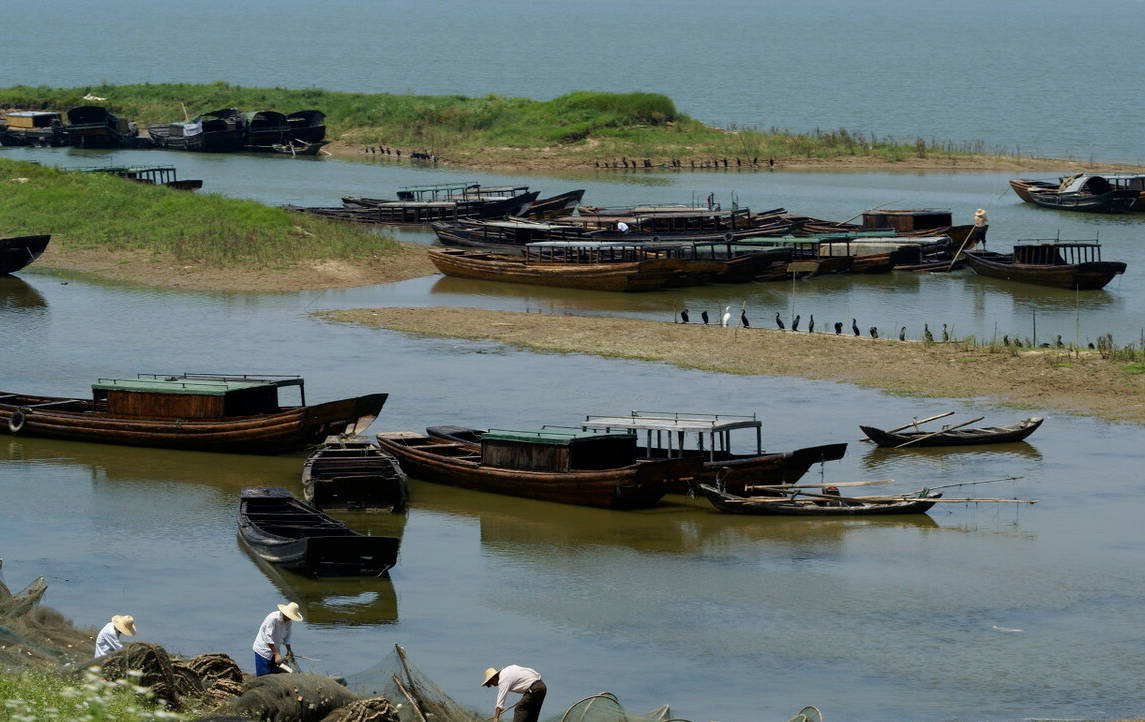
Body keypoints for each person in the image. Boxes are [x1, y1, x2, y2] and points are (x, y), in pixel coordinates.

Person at [252, 602, 302, 676]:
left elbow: (287, 638)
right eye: (290, 616)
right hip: (263, 650)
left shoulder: (289, 622)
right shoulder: (273, 618)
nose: (290, 618)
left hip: (275, 649)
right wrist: (276, 654)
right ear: (285, 613)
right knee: (263, 676)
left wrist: (289, 650)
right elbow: (267, 637)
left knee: (273, 674)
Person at [482, 665, 547, 722]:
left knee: (519, 708)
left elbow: (500, 702)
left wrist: (496, 718)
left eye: (491, 683)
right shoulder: (509, 669)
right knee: (532, 713)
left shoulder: (503, 679)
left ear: (494, 678)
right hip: (541, 686)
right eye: (490, 685)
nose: (493, 685)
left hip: (534, 689)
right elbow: (531, 673)